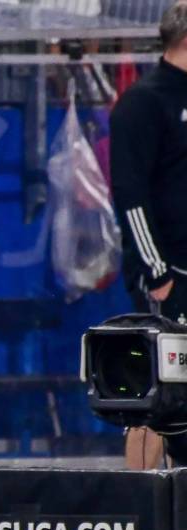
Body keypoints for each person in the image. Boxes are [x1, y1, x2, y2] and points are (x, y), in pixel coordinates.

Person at [110, 2, 187, 470]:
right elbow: (129, 194)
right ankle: (137, 514)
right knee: (155, 397)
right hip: (170, 275)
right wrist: (158, 273)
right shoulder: (144, 101)